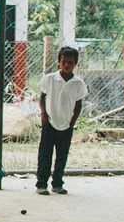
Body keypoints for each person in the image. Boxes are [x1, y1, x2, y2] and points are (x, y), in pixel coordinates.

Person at [36, 46, 87, 195]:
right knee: (45, 154)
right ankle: (41, 184)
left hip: (66, 124)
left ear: (75, 65)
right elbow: (42, 96)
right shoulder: (50, 79)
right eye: (64, 62)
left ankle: (57, 183)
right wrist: (43, 113)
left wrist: (72, 122)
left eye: (70, 62)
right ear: (59, 63)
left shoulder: (78, 84)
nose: (66, 65)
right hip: (50, 122)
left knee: (62, 155)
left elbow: (78, 104)